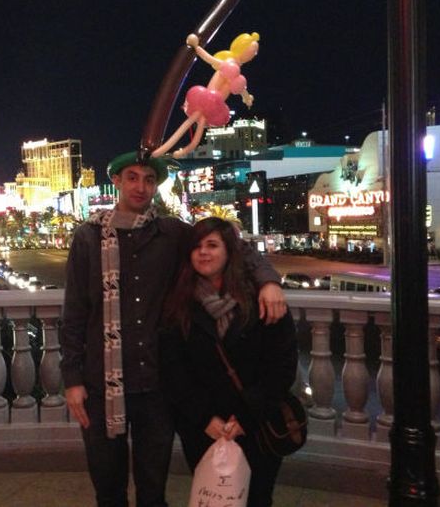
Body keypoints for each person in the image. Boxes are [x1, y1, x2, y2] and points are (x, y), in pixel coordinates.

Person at [60, 152, 286, 507]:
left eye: (149, 179)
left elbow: (235, 247)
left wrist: (269, 282)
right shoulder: (88, 238)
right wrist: (72, 379)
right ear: (116, 181)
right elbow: (75, 312)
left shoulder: (172, 233)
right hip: (101, 385)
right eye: (132, 177)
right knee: (108, 487)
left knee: (153, 490)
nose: (141, 186)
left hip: (156, 387)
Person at [159, 217, 298, 507]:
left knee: (258, 497)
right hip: (204, 428)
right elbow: (173, 369)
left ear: (229, 252)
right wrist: (204, 418)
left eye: (212, 245)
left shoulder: (261, 300)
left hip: (256, 425)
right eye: (197, 246)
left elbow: (281, 366)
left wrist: (246, 417)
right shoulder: (179, 304)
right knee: (212, 498)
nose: (203, 252)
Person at [152, 32, 260, 158]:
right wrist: (196, 47)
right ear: (242, 48)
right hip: (207, 99)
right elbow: (210, 59)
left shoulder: (236, 70)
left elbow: (239, 86)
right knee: (191, 123)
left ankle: (176, 152)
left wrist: (247, 97)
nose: (253, 55)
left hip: (215, 104)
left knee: (196, 127)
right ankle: (160, 152)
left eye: (255, 53)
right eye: (252, 51)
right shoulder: (229, 63)